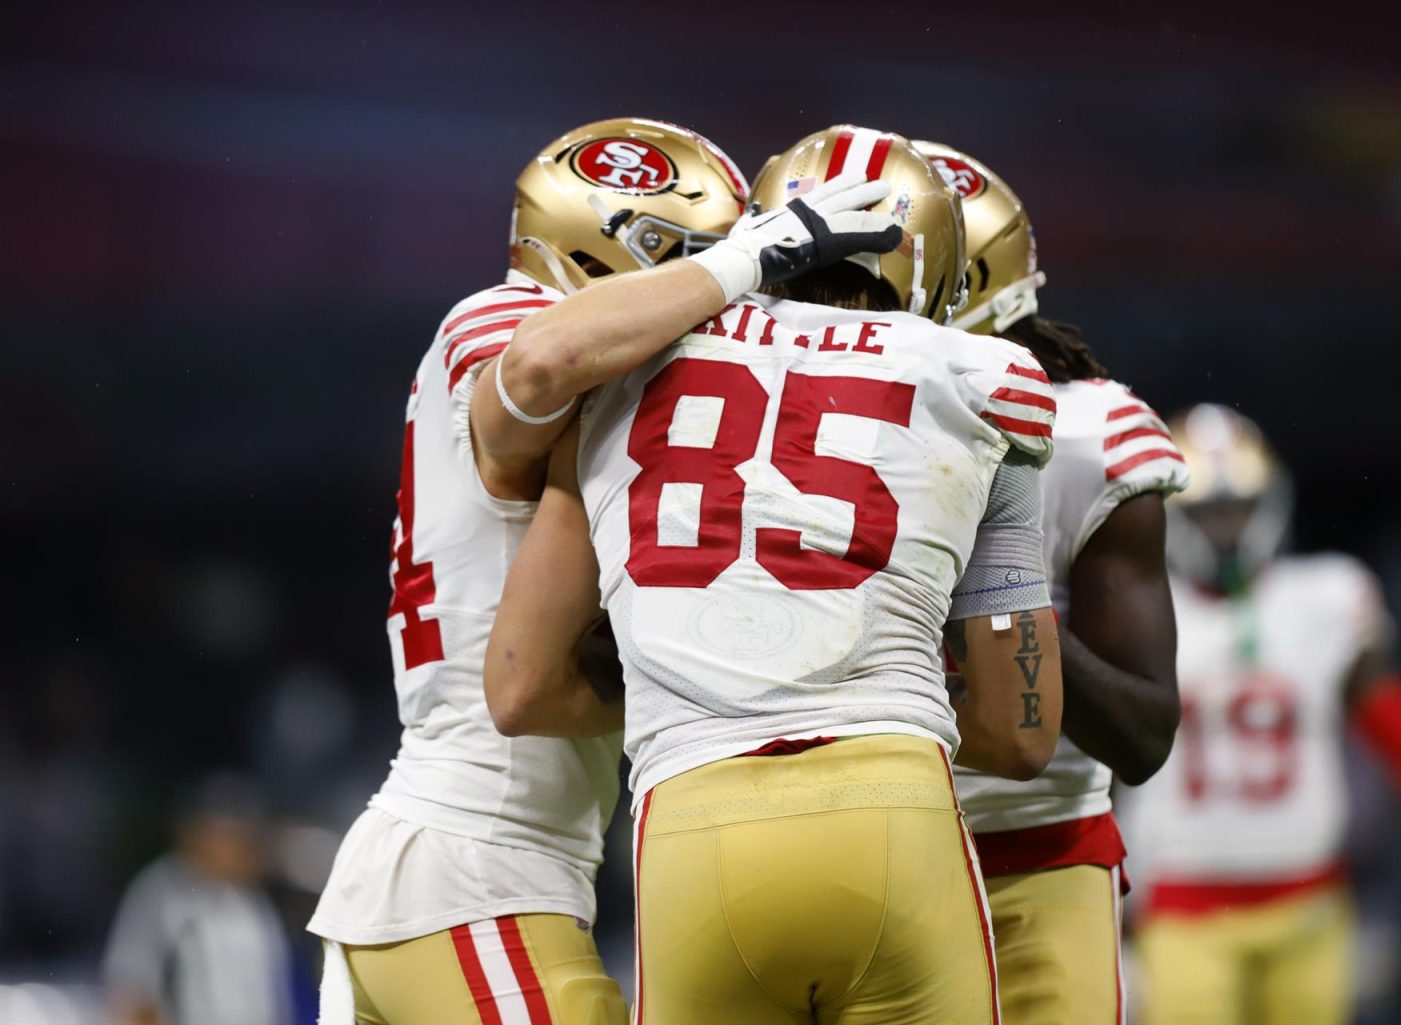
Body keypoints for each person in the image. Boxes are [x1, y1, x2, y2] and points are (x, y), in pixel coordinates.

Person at [482, 124, 1064, 1025]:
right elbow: (1021, 732)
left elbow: (520, 685)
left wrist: (702, 680)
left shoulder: (620, 367)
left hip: (692, 828)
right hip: (894, 811)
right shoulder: (986, 378)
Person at [307, 117, 747, 1025]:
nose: (721, 300)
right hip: (475, 864)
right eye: (694, 261)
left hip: (467, 871)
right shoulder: (504, 320)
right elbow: (540, 365)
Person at [916, 141, 1188, 1025]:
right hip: (854, 836)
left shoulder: (1087, 433)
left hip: (1033, 851)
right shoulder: (786, 402)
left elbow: (1144, 733)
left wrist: (1003, 602)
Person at [1122, 403, 1401, 1025]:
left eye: (1238, 508)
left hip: (1311, 905)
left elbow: (1395, 723)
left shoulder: (1326, 598)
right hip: (1182, 909)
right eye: (1208, 512)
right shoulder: (1140, 611)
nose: (1227, 528)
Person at [102, 774, 293, 1025]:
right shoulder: (163, 892)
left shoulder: (254, 902)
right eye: (225, 835)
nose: (237, 847)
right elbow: (131, 991)